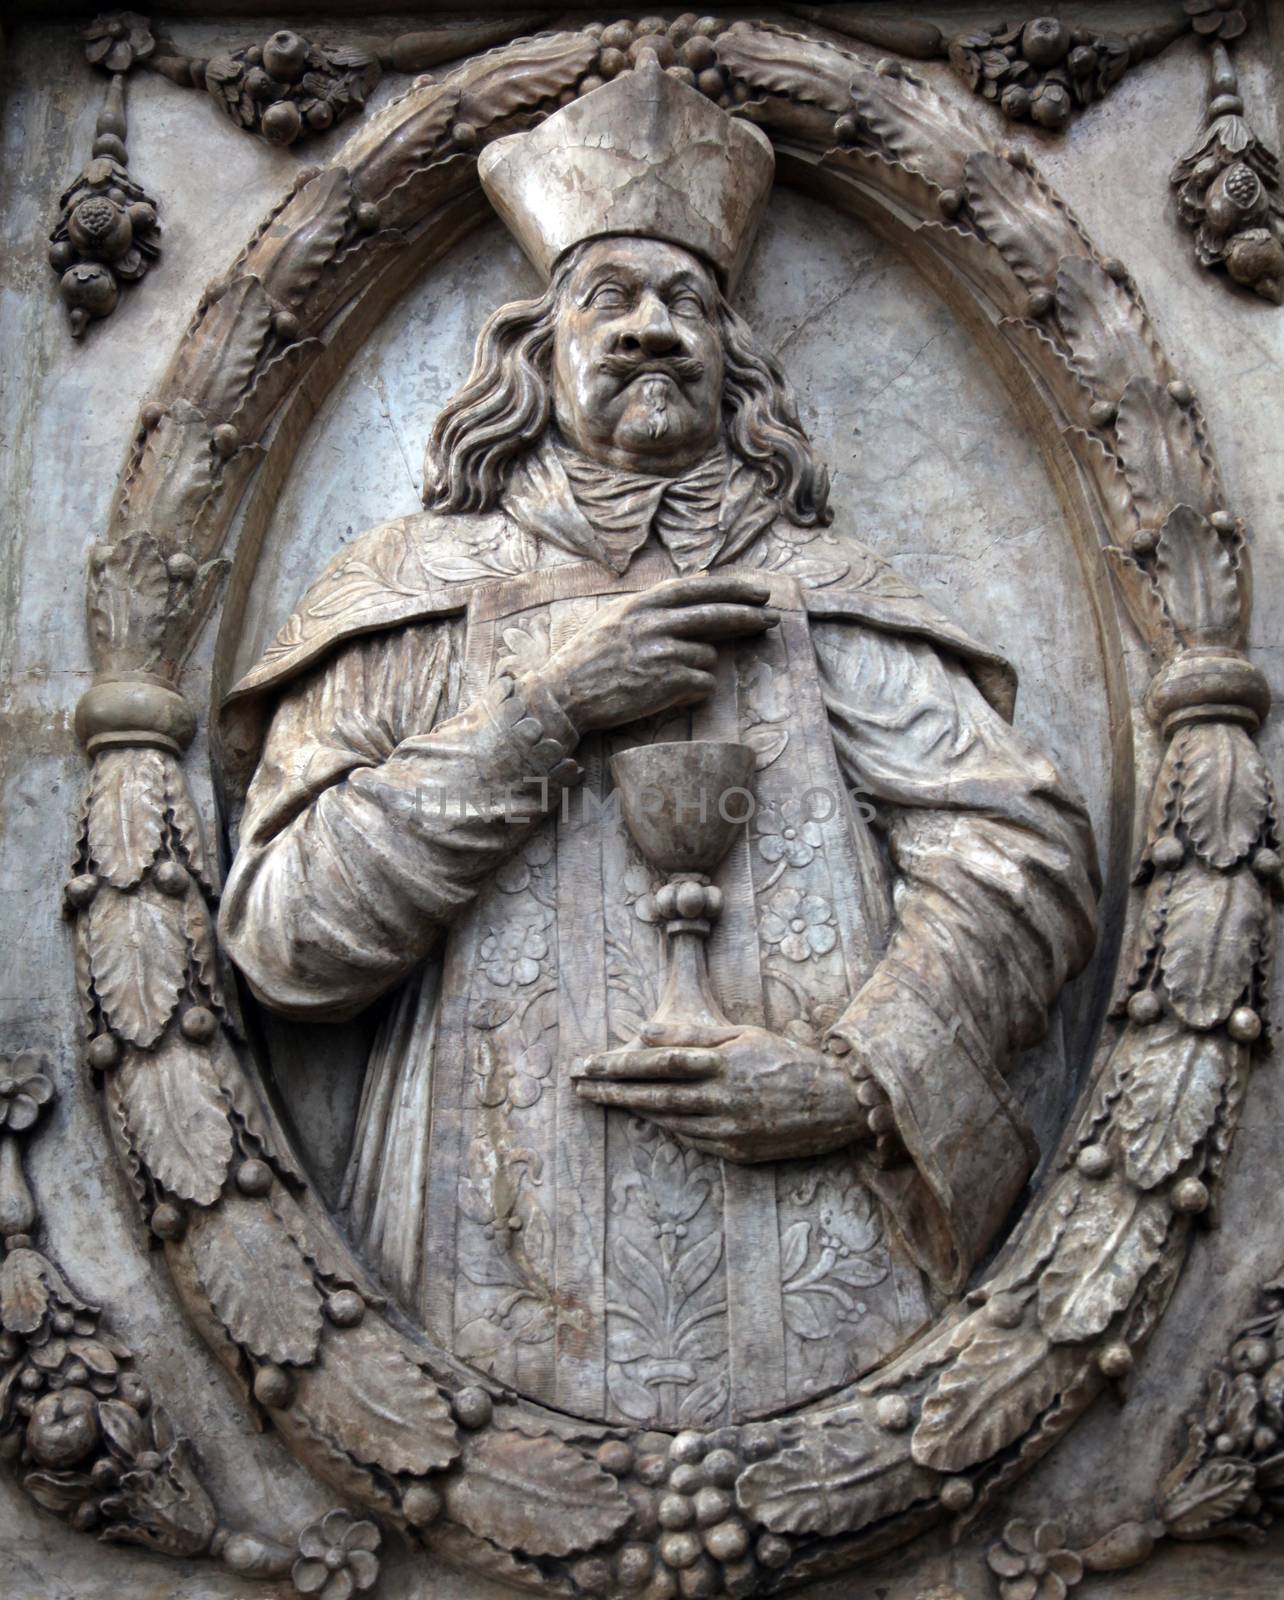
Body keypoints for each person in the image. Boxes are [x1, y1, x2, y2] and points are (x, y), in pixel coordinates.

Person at [219, 60, 1098, 1424]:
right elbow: (284, 934)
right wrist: (545, 715)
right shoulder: (408, 594)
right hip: (483, 1281)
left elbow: (1018, 851)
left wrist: (861, 1078)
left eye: (688, 302)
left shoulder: (820, 587)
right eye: (608, 300)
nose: (651, 329)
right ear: (535, 353)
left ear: (736, 358)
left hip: (826, 1294)